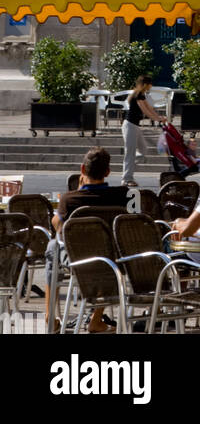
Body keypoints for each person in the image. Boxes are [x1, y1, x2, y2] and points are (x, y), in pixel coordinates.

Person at [49, 147, 129, 333]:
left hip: (78, 260)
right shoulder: (122, 195)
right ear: (108, 172)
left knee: (51, 247)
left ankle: (50, 316)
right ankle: (96, 318)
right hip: (112, 261)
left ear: (82, 170)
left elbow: (58, 226)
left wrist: (78, 189)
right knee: (104, 252)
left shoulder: (69, 199)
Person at [120, 74, 161, 187]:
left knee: (143, 149)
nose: (151, 86)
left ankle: (128, 166)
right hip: (129, 125)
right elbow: (145, 111)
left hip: (135, 126)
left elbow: (150, 108)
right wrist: (157, 119)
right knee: (130, 152)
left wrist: (160, 117)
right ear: (145, 85)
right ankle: (126, 179)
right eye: (150, 84)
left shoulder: (142, 95)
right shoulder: (138, 95)